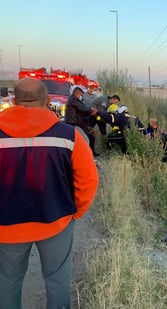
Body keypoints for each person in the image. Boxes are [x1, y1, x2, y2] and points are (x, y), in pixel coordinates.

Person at [0, 77, 99, 308]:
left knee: (8, 281)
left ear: (14, 100)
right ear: (46, 102)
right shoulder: (69, 136)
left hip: (6, 227)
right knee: (57, 281)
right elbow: (88, 180)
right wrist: (75, 212)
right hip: (57, 223)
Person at [64, 86, 98, 155]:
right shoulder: (73, 100)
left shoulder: (74, 99)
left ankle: (90, 153)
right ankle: (85, 155)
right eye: (81, 95)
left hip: (78, 122)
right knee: (85, 139)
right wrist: (91, 110)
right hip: (74, 123)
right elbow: (82, 108)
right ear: (78, 93)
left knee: (89, 136)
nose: (81, 96)